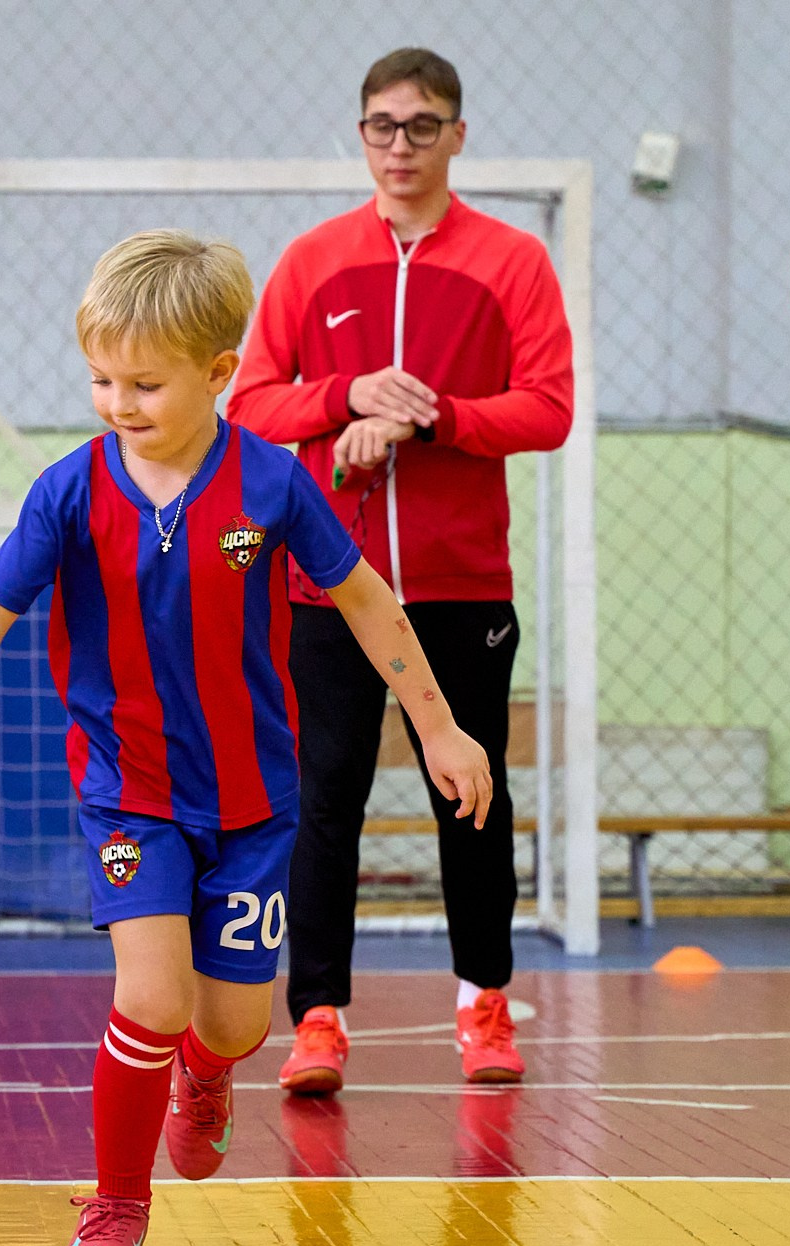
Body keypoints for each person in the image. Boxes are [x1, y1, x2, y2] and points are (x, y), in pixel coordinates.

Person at [0, 230, 491, 1246]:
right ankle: (114, 1206)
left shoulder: (270, 482)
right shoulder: (68, 489)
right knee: (152, 1000)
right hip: (129, 797)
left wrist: (437, 725)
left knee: (227, 1023)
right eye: (99, 380)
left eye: (143, 383)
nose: (116, 402)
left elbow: (363, 601)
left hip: (255, 805)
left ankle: (206, 1079)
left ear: (220, 374)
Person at [226, 47, 573, 1094]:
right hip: (326, 584)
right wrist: (345, 399)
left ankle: (482, 1006)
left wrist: (434, 418)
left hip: (461, 584)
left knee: (469, 791)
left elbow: (546, 408)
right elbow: (249, 404)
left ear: (456, 136)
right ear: (360, 135)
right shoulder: (311, 260)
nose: (398, 145)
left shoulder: (511, 261)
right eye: (381, 125)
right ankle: (318, 1018)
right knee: (322, 797)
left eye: (420, 126)